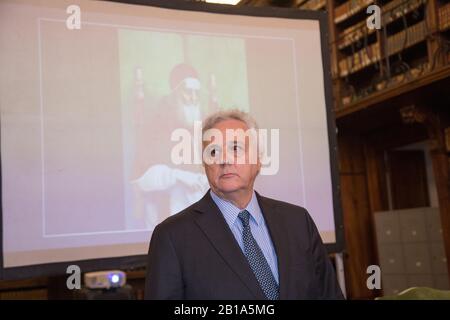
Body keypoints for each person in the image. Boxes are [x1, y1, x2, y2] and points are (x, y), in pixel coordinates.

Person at [144, 109, 344, 300]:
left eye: (235, 148)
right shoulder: (172, 236)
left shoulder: (298, 222)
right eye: (213, 152)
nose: (225, 160)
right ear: (204, 165)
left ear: (258, 160)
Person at [130, 63, 211, 230]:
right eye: (188, 92)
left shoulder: (206, 126)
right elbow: (141, 179)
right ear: (174, 94)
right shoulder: (156, 124)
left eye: (197, 93)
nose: (194, 98)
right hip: (167, 220)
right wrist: (178, 175)